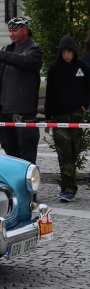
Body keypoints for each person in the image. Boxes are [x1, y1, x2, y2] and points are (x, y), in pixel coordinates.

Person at [0, 16, 43, 165]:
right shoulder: (9, 48)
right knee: (9, 151)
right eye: (10, 31)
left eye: (15, 30)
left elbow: (24, 61)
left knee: (26, 154)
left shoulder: (34, 49)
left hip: (23, 110)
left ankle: (28, 180)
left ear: (25, 30)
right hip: (5, 109)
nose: (11, 34)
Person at [44, 35, 90, 202]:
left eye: (69, 51)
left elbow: (88, 87)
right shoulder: (54, 68)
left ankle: (66, 184)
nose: (66, 55)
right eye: (64, 52)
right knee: (64, 152)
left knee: (74, 151)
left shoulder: (82, 67)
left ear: (74, 52)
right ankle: (69, 189)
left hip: (76, 115)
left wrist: (84, 105)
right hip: (59, 116)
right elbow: (49, 93)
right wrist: (48, 117)